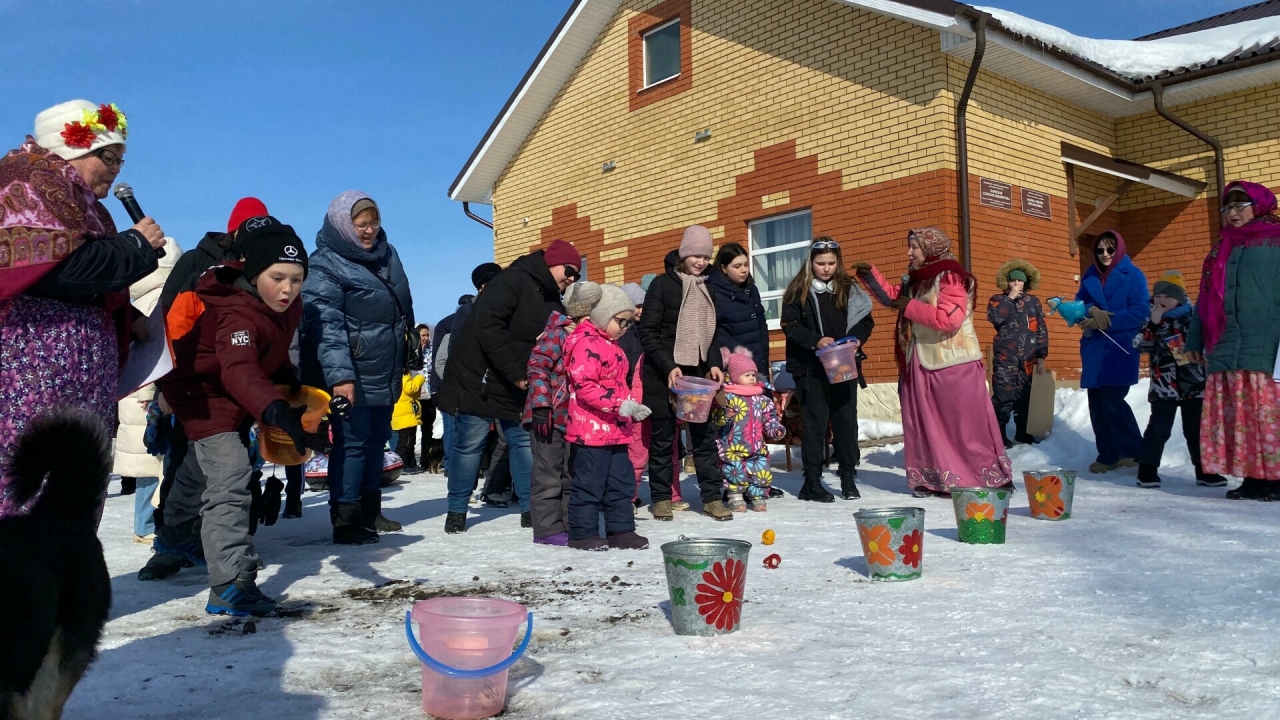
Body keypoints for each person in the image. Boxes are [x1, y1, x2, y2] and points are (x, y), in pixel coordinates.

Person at [0, 100, 166, 518]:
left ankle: (69, 559)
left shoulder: (82, 201)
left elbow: (86, 282)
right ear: (72, 148)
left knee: (73, 491)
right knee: (29, 490)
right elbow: (57, 269)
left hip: (78, 381)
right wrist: (135, 245)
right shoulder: (29, 180)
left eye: (120, 160)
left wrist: (128, 319)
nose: (116, 170)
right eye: (108, 157)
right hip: (34, 373)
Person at [153, 217, 311, 615]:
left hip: (229, 389)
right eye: (278, 278)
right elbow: (238, 367)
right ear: (254, 274)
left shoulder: (287, 307)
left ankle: (175, 534)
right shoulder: (236, 311)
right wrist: (271, 406)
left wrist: (286, 383)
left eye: (297, 279)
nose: (288, 289)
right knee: (230, 473)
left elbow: (269, 354)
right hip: (200, 390)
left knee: (201, 461)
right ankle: (230, 583)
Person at [439, 241, 581, 534]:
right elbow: (488, 327)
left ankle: (531, 508)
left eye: (577, 275)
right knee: (470, 445)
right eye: (569, 271)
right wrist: (515, 371)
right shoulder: (511, 281)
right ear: (552, 262)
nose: (571, 278)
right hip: (480, 378)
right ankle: (457, 509)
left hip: (517, 382)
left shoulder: (552, 298)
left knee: (523, 443)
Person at [858, 228, 1011, 497]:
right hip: (921, 362)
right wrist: (870, 274)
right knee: (925, 424)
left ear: (930, 249)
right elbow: (894, 298)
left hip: (953, 363)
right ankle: (933, 479)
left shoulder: (950, 276)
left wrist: (909, 307)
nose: (909, 252)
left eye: (914, 247)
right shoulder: (919, 279)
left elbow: (949, 319)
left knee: (962, 426)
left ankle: (981, 477)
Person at [301, 191, 414, 544]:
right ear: (342, 225)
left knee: (377, 441)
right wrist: (341, 377)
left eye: (373, 223)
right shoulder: (324, 264)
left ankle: (370, 510)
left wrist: (407, 347)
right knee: (352, 444)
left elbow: (402, 307)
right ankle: (346, 518)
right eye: (360, 224)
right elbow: (327, 326)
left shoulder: (388, 254)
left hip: (386, 367)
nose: (369, 231)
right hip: (352, 372)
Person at [1188, 181, 1280, 501]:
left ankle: (1276, 480)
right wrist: (1194, 341)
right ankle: (1253, 478)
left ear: (1259, 205)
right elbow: (1205, 298)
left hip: (1267, 346)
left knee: (1268, 416)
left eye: (1240, 206)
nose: (1232, 213)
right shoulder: (1219, 249)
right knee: (1241, 418)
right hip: (1226, 345)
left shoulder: (1276, 240)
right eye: (1227, 207)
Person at [640, 226, 731, 521]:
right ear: (684, 254)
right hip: (663, 374)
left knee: (703, 439)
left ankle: (712, 499)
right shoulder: (662, 285)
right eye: (695, 255)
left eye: (706, 257)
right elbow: (648, 332)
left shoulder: (709, 288)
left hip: (697, 376)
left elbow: (712, 334)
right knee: (663, 439)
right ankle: (661, 498)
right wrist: (668, 364)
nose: (701, 262)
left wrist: (714, 362)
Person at [782, 238, 875, 501]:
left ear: (838, 262)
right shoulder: (798, 290)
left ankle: (848, 475)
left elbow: (865, 321)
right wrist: (816, 340)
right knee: (815, 423)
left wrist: (857, 339)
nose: (826, 268)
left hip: (843, 363)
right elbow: (790, 325)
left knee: (846, 421)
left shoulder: (848, 288)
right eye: (820, 263)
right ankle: (811, 481)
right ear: (810, 262)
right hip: (811, 367)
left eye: (831, 263)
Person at [565, 285, 651, 550]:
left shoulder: (612, 345)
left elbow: (618, 385)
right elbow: (585, 386)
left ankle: (621, 530)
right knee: (589, 483)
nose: (625, 327)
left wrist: (631, 406)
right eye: (620, 321)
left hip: (616, 429)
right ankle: (583, 533)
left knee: (621, 483)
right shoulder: (585, 344)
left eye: (628, 322)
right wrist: (619, 406)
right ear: (603, 316)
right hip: (590, 431)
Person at [114, 236, 183, 542]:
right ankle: (148, 526)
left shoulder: (136, 300)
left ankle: (143, 525)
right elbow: (154, 352)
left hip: (134, 391)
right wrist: (148, 395)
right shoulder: (163, 300)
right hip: (150, 393)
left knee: (146, 462)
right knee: (157, 461)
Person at [524, 282, 602, 546]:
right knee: (548, 473)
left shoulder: (590, 340)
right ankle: (546, 528)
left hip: (574, 419)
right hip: (547, 415)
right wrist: (541, 405)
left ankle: (570, 522)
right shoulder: (557, 334)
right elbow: (537, 367)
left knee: (571, 473)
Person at [1135, 271, 1226, 489]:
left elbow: (1207, 342)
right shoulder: (1150, 320)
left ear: (1180, 298)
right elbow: (1140, 346)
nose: (1162, 300)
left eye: (1168, 296)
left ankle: (1205, 472)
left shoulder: (1193, 318)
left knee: (1196, 431)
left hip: (1194, 384)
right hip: (1163, 385)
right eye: (1158, 296)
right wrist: (1153, 325)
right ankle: (1147, 472)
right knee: (1158, 429)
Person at [1075, 231, 1148, 474]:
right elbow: (1078, 304)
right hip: (1095, 347)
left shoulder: (1133, 275)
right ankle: (1107, 455)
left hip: (1119, 348)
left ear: (1119, 249)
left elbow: (1139, 311)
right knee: (1097, 404)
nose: (1105, 254)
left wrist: (1107, 321)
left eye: (1110, 249)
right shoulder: (1090, 275)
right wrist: (1091, 311)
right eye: (1100, 250)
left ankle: (1133, 451)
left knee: (1113, 400)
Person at [713, 347, 785, 511]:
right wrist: (725, 415)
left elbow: (769, 418)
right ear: (735, 376)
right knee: (734, 471)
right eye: (747, 375)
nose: (752, 378)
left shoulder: (762, 399)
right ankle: (735, 497)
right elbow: (716, 419)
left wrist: (775, 429)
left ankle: (757, 496)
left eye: (753, 375)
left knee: (761, 471)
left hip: (756, 445)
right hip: (732, 446)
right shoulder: (727, 397)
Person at [987, 259, 1049, 448]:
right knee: (1003, 395)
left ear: (1026, 282)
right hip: (1006, 358)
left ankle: (1023, 433)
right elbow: (995, 318)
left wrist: (1041, 356)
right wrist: (1010, 298)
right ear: (1006, 282)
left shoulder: (1034, 303)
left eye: (1020, 280)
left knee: (1025, 396)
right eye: (1012, 280)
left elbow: (1041, 330)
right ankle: (999, 435)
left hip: (1028, 359)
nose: (1016, 284)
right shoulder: (997, 300)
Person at [708, 243, 770, 373]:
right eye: (737, 266)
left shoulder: (751, 289)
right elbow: (712, 333)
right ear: (723, 268)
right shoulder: (713, 292)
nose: (744, 270)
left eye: (746, 265)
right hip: (734, 366)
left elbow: (761, 326)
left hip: (759, 361)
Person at [392, 371, 426, 475]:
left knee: (411, 442)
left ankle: (411, 464)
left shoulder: (403, 375)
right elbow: (410, 388)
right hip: (404, 416)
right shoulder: (403, 375)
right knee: (405, 443)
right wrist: (420, 378)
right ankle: (402, 465)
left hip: (409, 415)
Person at [416, 323, 436, 452]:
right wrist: (419, 351)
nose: (426, 338)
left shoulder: (432, 349)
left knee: (428, 425)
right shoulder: (411, 350)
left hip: (429, 392)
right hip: (415, 392)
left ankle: (426, 454)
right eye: (423, 335)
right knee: (412, 426)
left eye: (427, 335)